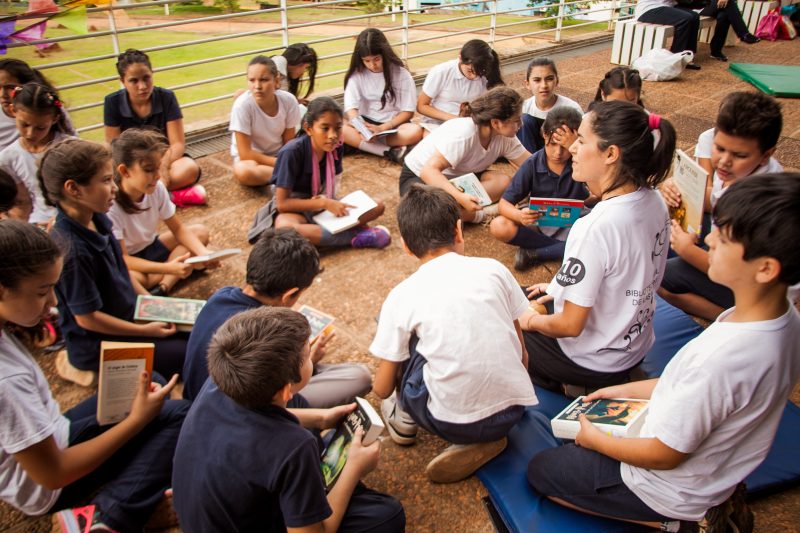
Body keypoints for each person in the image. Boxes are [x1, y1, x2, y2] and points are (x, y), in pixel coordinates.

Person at [527, 173, 800, 532]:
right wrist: (624, 390)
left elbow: (665, 454)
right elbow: (699, 390)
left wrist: (595, 440)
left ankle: (678, 522)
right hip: (711, 469)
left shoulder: (724, 358)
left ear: (766, 268)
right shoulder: (784, 318)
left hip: (667, 486)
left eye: (724, 235)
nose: (709, 238)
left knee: (541, 472)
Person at [0, 219, 189, 533]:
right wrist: (135, 422)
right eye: (42, 292)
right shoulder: (7, 383)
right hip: (44, 488)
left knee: (149, 380)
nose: (54, 303)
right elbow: (53, 474)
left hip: (54, 434)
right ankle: (103, 517)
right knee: (181, 414)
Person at [172, 306, 406, 532]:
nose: (311, 358)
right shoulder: (293, 446)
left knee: (306, 418)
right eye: (307, 356)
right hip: (259, 521)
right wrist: (353, 469)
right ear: (285, 389)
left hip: (216, 515)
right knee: (387, 515)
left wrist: (321, 418)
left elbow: (252, 426)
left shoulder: (219, 382)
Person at [370, 185, 538, 483]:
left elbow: (382, 389)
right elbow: (522, 353)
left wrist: (383, 385)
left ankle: (403, 417)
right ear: (459, 231)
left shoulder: (402, 295)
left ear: (407, 247)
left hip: (450, 423)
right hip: (516, 405)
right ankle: (489, 437)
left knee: (396, 330)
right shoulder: (494, 269)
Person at [520, 101, 675, 396]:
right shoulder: (653, 199)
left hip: (592, 361)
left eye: (581, 140)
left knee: (500, 319)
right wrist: (558, 288)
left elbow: (569, 325)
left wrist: (532, 321)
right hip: (632, 347)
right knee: (524, 293)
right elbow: (621, 276)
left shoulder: (596, 226)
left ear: (611, 154)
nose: (572, 149)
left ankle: (569, 384)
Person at [39, 138, 189, 385]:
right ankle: (85, 368)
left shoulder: (97, 217)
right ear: (73, 189)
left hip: (129, 316)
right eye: (106, 181)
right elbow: (87, 318)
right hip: (99, 343)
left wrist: (151, 305)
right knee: (192, 355)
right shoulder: (71, 250)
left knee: (203, 330)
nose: (115, 189)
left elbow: (121, 269)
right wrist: (144, 330)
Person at [181, 227, 372, 406]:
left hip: (197, 399)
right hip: (244, 411)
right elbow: (275, 394)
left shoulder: (222, 294)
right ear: (288, 295)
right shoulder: (266, 333)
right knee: (359, 376)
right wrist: (309, 361)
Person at [659, 91, 783, 320]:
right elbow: (716, 200)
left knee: (657, 278)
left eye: (739, 155)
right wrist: (673, 185)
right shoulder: (740, 170)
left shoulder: (757, 200)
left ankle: (742, 316)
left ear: (766, 155)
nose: (724, 161)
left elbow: (732, 270)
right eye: (720, 149)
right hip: (730, 250)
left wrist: (688, 251)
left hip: (749, 283)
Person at [253, 96, 391, 249]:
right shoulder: (291, 152)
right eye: (325, 128)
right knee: (285, 229)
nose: (332, 135)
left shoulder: (336, 146)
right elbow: (282, 204)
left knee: (377, 205)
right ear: (308, 128)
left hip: (325, 204)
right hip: (298, 208)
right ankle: (354, 236)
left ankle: (324, 234)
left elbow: (333, 188)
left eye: (338, 128)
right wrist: (322, 203)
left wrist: (329, 204)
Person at [400, 87, 531, 224]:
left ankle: (458, 213)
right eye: (516, 120)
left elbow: (532, 165)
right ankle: (478, 215)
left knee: (503, 182)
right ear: (496, 123)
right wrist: (459, 196)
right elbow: (428, 171)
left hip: (460, 177)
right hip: (419, 176)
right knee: (428, 212)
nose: (521, 124)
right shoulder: (465, 133)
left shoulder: (506, 138)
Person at [108, 128, 214, 296]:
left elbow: (178, 229)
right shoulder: (110, 205)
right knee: (124, 277)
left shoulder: (156, 188)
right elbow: (124, 259)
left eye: (158, 168)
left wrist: (204, 253)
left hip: (151, 247)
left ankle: (163, 286)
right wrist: (168, 267)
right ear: (124, 171)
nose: (158, 176)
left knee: (200, 233)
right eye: (149, 169)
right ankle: (172, 273)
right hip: (130, 262)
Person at [489, 106, 588, 271]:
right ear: (544, 135)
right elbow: (504, 203)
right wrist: (520, 216)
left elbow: (600, 192)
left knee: (600, 233)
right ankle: (562, 249)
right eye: (553, 144)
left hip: (575, 222)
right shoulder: (532, 163)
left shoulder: (582, 160)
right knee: (499, 226)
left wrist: (576, 150)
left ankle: (538, 253)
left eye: (565, 146)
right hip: (540, 221)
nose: (558, 152)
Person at [103, 49, 205, 207]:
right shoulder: (112, 103)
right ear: (122, 81)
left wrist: (162, 168)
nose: (142, 86)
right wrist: (138, 173)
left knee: (189, 168)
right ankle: (168, 197)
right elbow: (114, 149)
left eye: (146, 78)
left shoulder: (167, 97)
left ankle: (150, 199)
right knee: (113, 183)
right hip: (132, 167)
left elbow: (177, 144)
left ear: (152, 74)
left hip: (163, 161)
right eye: (134, 81)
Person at [342, 28, 423, 161]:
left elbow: (408, 112)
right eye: (366, 61)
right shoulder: (356, 75)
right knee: (339, 127)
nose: (372, 65)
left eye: (376, 59)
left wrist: (383, 128)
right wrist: (362, 129)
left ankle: (363, 145)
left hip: (392, 126)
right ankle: (389, 152)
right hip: (366, 124)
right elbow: (352, 110)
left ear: (384, 54)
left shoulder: (401, 74)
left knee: (415, 131)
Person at [0, 83, 73, 226]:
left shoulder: (70, 147)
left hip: (73, 219)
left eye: (40, 128)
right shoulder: (7, 158)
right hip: (38, 223)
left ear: (55, 119)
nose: (30, 133)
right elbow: (21, 203)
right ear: (13, 110)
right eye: (24, 125)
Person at [230, 56, 301, 187]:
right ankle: (290, 177)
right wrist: (281, 163)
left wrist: (287, 158)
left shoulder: (289, 101)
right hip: (251, 159)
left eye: (264, 80)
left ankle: (284, 177)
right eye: (252, 80)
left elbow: (288, 141)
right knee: (244, 172)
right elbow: (245, 153)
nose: (257, 86)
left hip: (278, 155)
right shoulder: (242, 106)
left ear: (276, 81)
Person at [416, 39, 503, 133]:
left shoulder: (485, 74)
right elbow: (421, 106)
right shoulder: (441, 71)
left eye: (479, 73)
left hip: (469, 124)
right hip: (437, 122)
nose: (474, 76)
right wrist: (454, 119)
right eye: (470, 71)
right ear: (460, 58)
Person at [0, 59, 74, 151]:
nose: (2, 95)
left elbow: (73, 144)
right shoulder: (8, 156)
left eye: (10, 87)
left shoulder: (50, 107)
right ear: (13, 110)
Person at [516, 58, 583, 154]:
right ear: (527, 84)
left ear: (557, 81)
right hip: (532, 153)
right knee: (524, 119)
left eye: (549, 79)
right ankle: (533, 164)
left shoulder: (572, 108)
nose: (544, 85)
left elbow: (583, 141)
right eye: (537, 80)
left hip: (561, 154)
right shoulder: (524, 107)